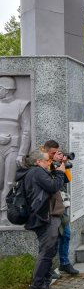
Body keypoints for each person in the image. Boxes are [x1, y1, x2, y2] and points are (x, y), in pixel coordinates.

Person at [15, 149, 66, 289]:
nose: (49, 162)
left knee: (48, 252)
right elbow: (52, 187)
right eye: (46, 160)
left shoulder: (35, 172)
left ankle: (42, 286)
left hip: (45, 216)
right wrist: (60, 173)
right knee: (45, 254)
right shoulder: (37, 172)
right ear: (38, 162)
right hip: (44, 218)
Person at [0, 75, 31, 223]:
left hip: (13, 149)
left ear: (6, 90)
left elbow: (26, 130)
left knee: (9, 182)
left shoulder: (21, 104)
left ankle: (5, 213)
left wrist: (22, 153)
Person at [49, 148, 79, 275]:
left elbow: (67, 180)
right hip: (51, 206)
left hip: (61, 206)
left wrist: (63, 166)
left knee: (66, 234)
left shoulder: (59, 166)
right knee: (51, 238)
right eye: (58, 154)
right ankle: (48, 269)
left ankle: (64, 263)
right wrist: (56, 165)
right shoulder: (48, 167)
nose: (61, 156)